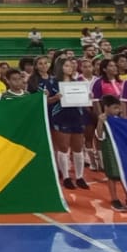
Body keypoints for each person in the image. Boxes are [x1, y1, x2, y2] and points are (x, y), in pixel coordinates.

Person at [46, 57, 87, 189]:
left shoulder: (78, 82)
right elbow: (45, 102)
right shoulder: (51, 82)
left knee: (78, 148)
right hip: (60, 116)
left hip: (76, 116)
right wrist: (55, 98)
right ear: (60, 67)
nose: (70, 68)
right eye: (67, 65)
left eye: (71, 65)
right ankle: (66, 176)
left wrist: (88, 98)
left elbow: (84, 102)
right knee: (63, 148)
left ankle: (80, 177)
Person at [94, 95, 127, 211]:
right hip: (109, 150)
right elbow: (99, 135)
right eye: (115, 108)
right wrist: (100, 122)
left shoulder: (119, 120)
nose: (118, 110)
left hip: (120, 149)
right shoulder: (103, 119)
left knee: (123, 174)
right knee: (112, 175)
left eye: (119, 108)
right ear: (106, 107)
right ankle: (114, 199)